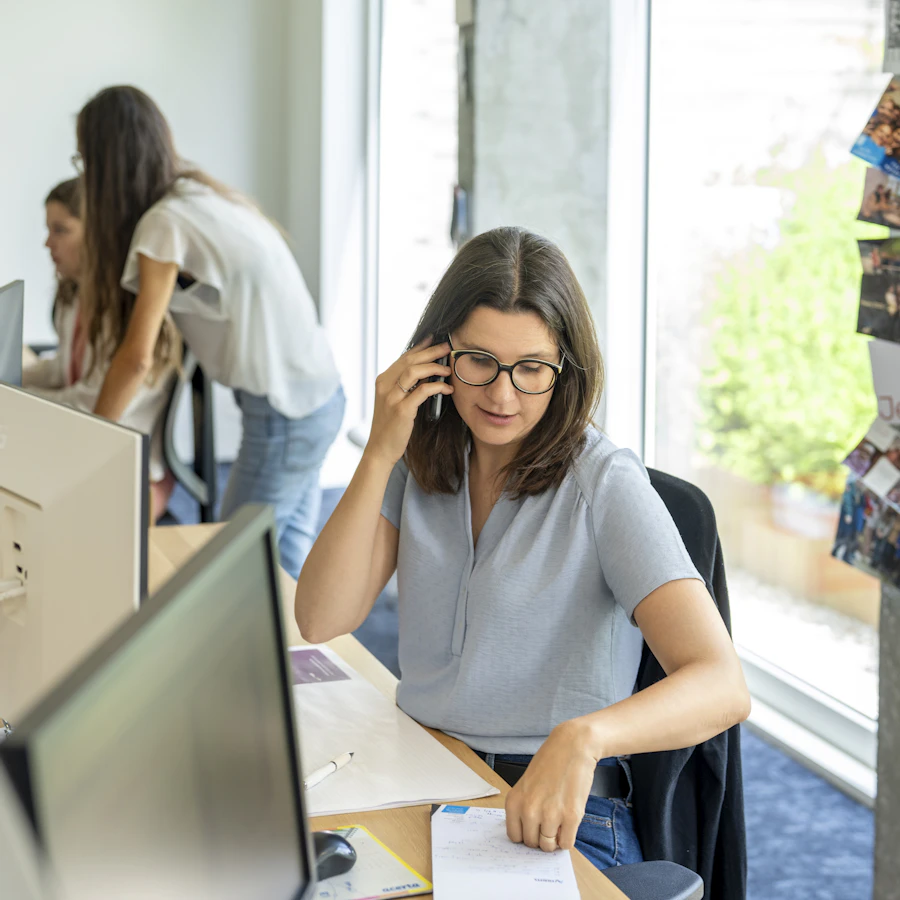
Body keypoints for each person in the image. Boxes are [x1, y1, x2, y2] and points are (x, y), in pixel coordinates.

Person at [295, 227, 751, 871]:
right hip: (422, 772)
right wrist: (379, 450)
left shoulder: (604, 482)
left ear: (564, 370)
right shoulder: (423, 457)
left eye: (532, 369)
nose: (501, 395)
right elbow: (320, 618)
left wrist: (585, 737)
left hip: (553, 807)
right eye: (479, 360)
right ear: (435, 355)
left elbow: (723, 685)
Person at [75, 86, 344, 576]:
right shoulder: (198, 196)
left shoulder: (164, 224)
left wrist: (89, 446)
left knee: (230, 567)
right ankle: (291, 652)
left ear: (104, 163)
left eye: (84, 161)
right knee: (281, 561)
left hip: (285, 413)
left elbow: (136, 356)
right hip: (316, 397)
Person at [22, 178, 177, 522]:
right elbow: (62, 370)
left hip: (132, 473)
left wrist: (16, 398)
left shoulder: (129, 312)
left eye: (60, 230)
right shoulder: (73, 295)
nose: (48, 243)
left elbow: (93, 403)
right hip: (84, 443)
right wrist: (12, 377)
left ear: (96, 235)